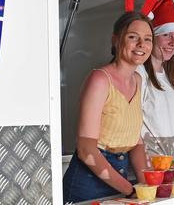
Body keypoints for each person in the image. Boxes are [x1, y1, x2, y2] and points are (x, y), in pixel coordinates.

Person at [62, 13, 153, 202]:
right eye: (132, 37)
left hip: (121, 178)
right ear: (116, 39)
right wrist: (129, 189)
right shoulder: (100, 79)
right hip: (88, 182)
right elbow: (86, 150)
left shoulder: (137, 80)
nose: (141, 45)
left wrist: (146, 186)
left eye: (147, 39)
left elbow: (135, 141)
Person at [136, 0, 174, 158]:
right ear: (152, 37)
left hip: (171, 167)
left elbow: (173, 133)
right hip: (148, 169)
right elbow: (133, 132)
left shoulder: (171, 78)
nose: (173, 43)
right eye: (166, 35)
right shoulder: (139, 74)